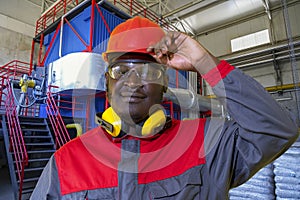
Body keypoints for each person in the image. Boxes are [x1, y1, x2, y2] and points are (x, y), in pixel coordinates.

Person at [30, 16, 298, 200]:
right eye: (121, 70)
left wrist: (204, 62)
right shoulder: (66, 162)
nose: (133, 82)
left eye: (148, 72)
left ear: (164, 85)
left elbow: (276, 130)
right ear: (107, 82)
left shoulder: (208, 143)